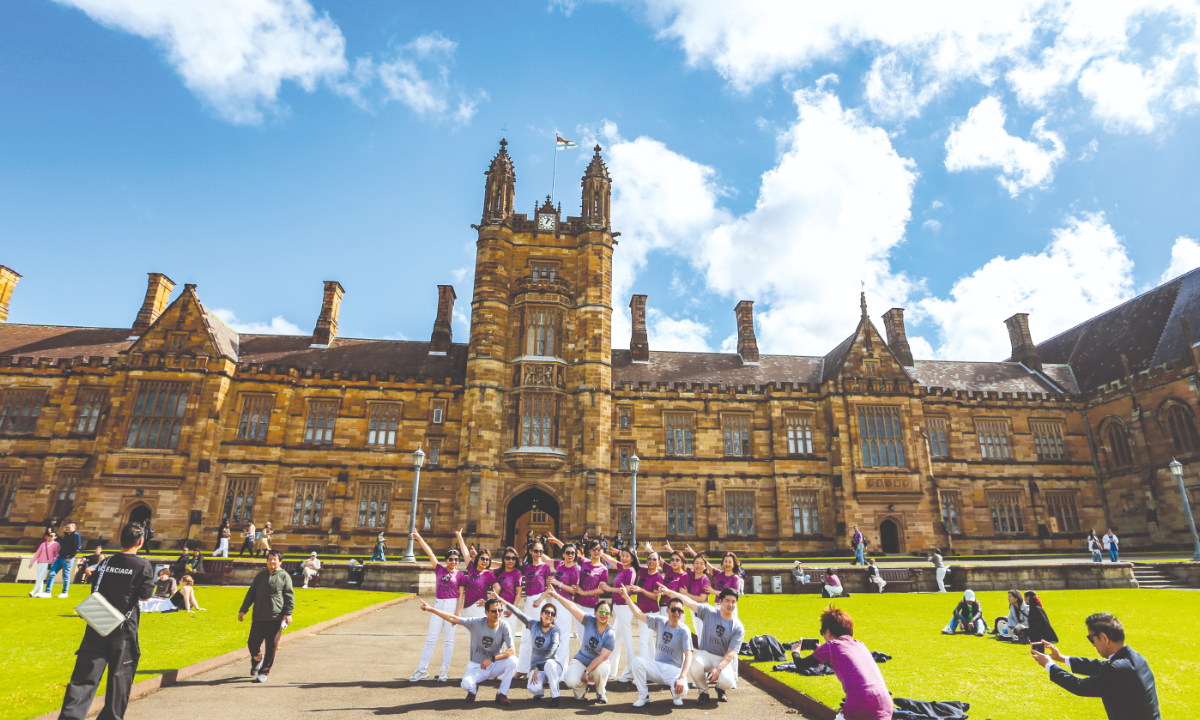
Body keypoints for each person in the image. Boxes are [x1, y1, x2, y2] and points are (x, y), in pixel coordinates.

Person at [58, 522, 155, 720]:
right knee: (120, 678)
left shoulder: (106, 562)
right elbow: (145, 596)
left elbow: (95, 588)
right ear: (140, 541)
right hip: (123, 629)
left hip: (97, 622)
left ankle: (70, 717)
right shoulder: (142, 565)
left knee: (83, 678)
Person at [1031, 612, 1160, 720]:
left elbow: (1079, 686)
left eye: (1092, 639)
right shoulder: (1135, 658)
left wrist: (1049, 665)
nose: (1093, 645)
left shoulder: (1117, 669)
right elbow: (1099, 666)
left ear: (1104, 638)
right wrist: (1061, 658)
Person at [793, 606, 892, 720]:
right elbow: (847, 665)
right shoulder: (860, 644)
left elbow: (800, 664)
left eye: (823, 633)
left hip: (860, 701)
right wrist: (823, 658)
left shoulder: (831, 646)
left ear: (828, 632)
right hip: (884, 701)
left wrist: (795, 652)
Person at [419, 596, 517, 705]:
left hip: (493, 664)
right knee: (465, 684)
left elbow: (512, 650)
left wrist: (491, 659)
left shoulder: (504, 625)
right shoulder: (476, 623)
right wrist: (431, 609)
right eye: (494, 611)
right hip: (476, 666)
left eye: (500, 610)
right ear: (486, 612)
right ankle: (473, 689)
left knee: (513, 661)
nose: (497, 613)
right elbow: (453, 618)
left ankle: (501, 694)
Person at [657, 585, 744, 704]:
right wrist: (669, 592)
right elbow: (688, 602)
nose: (730, 605)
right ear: (720, 601)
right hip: (705, 653)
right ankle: (703, 692)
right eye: (727, 601)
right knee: (694, 663)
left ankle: (720, 689)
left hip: (722, 658)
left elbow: (731, 653)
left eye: (733, 602)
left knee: (728, 682)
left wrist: (718, 669)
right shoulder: (709, 612)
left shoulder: (737, 626)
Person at [408, 532, 464, 682]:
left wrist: (457, 613)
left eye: (456, 560)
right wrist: (420, 539)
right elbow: (430, 553)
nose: (454, 562)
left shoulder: (460, 575)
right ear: (446, 560)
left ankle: (444, 670)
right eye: (451, 559)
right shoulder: (439, 569)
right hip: (439, 605)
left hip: (452, 606)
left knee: (449, 640)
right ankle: (421, 669)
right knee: (431, 639)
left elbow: (461, 595)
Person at [546, 587, 616, 703]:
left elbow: (603, 657)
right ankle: (583, 689)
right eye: (601, 611)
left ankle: (600, 692)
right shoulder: (589, 621)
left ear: (610, 615)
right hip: (581, 660)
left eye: (607, 612)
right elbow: (573, 608)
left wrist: (587, 672)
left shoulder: (610, 634)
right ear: (595, 612)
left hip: (598, 664)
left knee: (601, 670)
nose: (604, 614)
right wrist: (556, 596)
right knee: (570, 681)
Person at [494, 591, 562, 705]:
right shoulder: (533, 624)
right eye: (547, 612)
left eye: (552, 614)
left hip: (553, 667)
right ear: (541, 614)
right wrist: (500, 599)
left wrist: (538, 666)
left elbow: (552, 651)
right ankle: (539, 692)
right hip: (538, 669)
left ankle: (555, 696)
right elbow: (517, 612)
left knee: (549, 664)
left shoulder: (555, 630)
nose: (549, 615)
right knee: (532, 688)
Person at [626, 594, 694, 707]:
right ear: (667, 610)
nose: (676, 612)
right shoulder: (660, 622)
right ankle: (644, 697)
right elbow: (639, 614)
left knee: (683, 691)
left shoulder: (684, 630)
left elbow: (689, 655)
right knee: (637, 662)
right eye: (673, 609)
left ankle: (676, 694)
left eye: (679, 610)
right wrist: (626, 597)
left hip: (674, 670)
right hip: (657, 667)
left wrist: (682, 678)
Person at [238, 549, 295, 684]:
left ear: (280, 562)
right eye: (270, 559)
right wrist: (243, 610)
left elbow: (289, 596)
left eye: (275, 559)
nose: (272, 561)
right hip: (258, 615)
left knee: (271, 645)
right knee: (252, 643)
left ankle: (264, 671)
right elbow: (251, 594)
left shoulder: (284, 576)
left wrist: (288, 613)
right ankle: (257, 659)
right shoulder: (260, 576)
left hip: (275, 616)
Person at [599, 547, 641, 681]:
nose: (624, 558)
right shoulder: (622, 567)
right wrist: (601, 553)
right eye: (622, 555)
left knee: (627, 641)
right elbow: (610, 559)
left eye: (627, 556)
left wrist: (609, 589)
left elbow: (627, 589)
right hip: (618, 608)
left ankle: (632, 672)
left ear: (632, 558)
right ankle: (611, 671)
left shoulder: (630, 571)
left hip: (624, 608)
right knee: (615, 640)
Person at [516, 539, 555, 676]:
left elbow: (549, 587)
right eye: (536, 551)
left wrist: (540, 600)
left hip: (540, 602)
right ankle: (522, 669)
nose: (539, 553)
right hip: (528, 602)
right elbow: (508, 566)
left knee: (539, 636)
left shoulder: (545, 567)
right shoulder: (526, 567)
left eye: (541, 551)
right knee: (526, 635)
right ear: (531, 552)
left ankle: (537, 668)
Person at [544, 534, 582, 672]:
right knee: (554, 634)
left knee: (564, 636)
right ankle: (554, 667)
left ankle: (562, 670)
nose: (570, 555)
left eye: (573, 553)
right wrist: (539, 549)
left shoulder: (575, 569)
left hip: (566, 603)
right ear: (563, 554)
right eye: (568, 553)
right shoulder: (560, 564)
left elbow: (573, 590)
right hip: (555, 601)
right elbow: (546, 559)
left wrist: (557, 583)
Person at [628, 549, 664, 661]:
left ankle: (642, 668)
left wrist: (641, 590)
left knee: (643, 640)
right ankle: (653, 664)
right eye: (649, 559)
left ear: (658, 562)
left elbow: (654, 596)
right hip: (641, 611)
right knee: (648, 641)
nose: (651, 561)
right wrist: (622, 553)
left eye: (654, 559)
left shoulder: (658, 578)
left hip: (652, 613)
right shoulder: (643, 571)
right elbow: (633, 562)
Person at [44, 521, 82, 598]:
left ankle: (65, 592)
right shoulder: (66, 535)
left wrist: (71, 557)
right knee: (51, 574)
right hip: (59, 557)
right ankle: (47, 592)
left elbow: (77, 547)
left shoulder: (76, 536)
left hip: (67, 558)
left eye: (69, 527)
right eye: (66, 527)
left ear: (74, 528)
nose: (67, 529)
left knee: (65, 576)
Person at [494, 546, 524, 640]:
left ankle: (509, 655)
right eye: (508, 558)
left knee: (509, 637)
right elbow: (483, 568)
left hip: (509, 607)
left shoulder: (517, 573)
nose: (511, 560)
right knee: (497, 637)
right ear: (504, 559)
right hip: (498, 607)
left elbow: (519, 593)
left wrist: (512, 609)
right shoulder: (499, 571)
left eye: (513, 558)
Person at [29, 530, 58, 598]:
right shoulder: (43, 544)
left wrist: (53, 561)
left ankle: (33, 591)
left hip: (47, 563)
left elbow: (56, 554)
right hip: (40, 562)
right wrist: (32, 562)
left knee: (40, 577)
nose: (49, 537)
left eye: (51, 536)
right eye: (49, 535)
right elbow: (37, 553)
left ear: (55, 537)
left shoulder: (56, 544)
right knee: (40, 578)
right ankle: (40, 592)